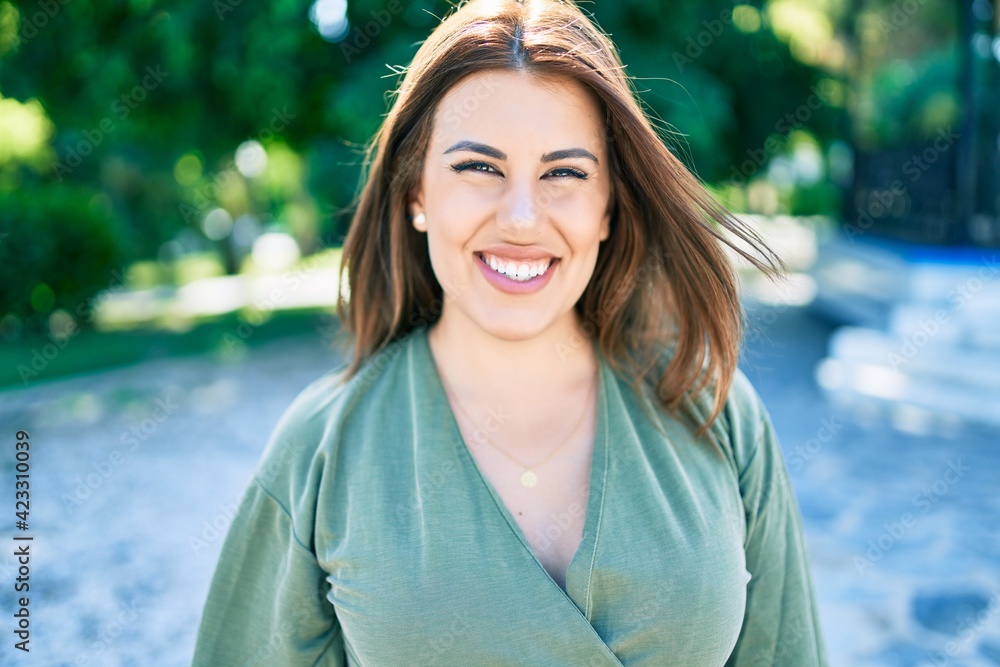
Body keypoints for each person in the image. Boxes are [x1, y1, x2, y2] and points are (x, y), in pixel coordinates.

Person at [192, 0, 829, 665]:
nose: (522, 218)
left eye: (565, 173)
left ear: (608, 207)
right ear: (417, 195)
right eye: (479, 167)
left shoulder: (715, 412)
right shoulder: (321, 449)